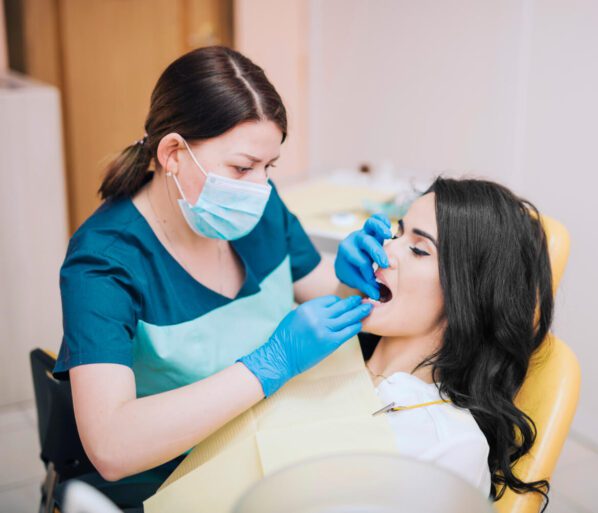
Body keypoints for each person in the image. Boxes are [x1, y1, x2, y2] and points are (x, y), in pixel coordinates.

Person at [52, 46, 378, 509]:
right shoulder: (104, 260)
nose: (260, 187)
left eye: (270, 167)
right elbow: (111, 447)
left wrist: (352, 277)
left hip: (263, 441)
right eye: (242, 167)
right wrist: (270, 363)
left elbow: (322, 291)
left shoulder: (260, 208)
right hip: (167, 477)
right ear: (173, 153)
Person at [338, 177, 554, 505]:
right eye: (396, 232)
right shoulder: (330, 354)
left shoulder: (453, 447)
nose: (386, 249)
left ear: (467, 295)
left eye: (418, 249)